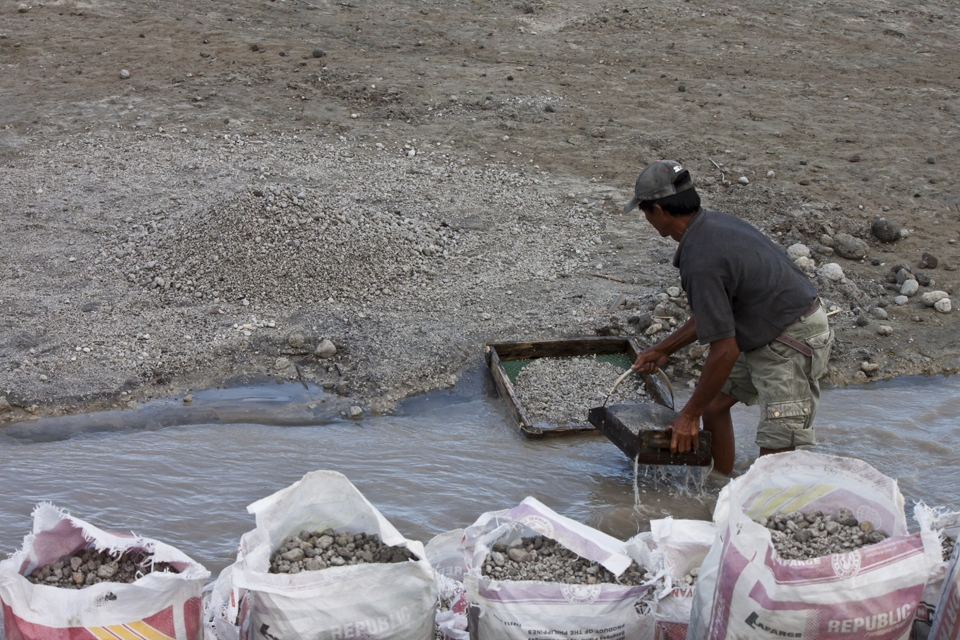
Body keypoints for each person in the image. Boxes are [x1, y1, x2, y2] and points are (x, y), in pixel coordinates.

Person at [624, 160, 834, 475]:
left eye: (643, 211)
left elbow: (725, 350)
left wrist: (688, 416)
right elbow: (716, 315)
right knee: (712, 404)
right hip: (764, 328)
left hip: (793, 335)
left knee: (776, 444)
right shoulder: (710, 225)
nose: (646, 218)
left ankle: (762, 511)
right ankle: (720, 489)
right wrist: (664, 349)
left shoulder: (700, 259)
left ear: (658, 210)